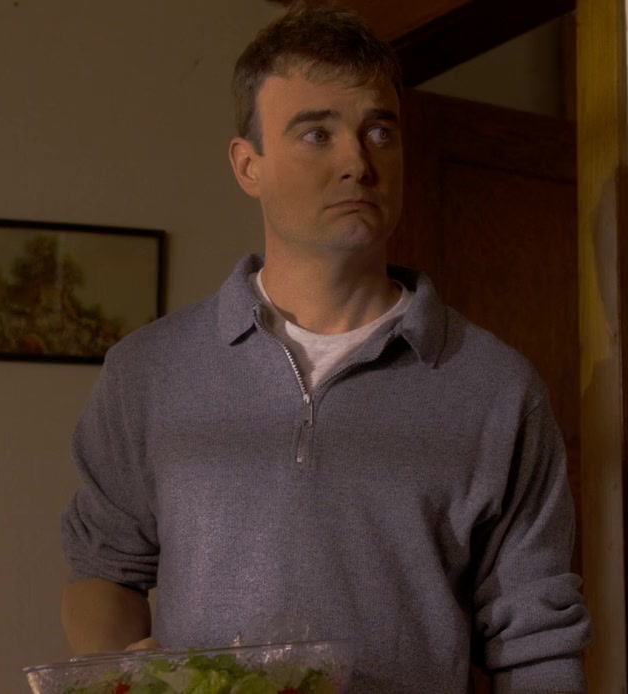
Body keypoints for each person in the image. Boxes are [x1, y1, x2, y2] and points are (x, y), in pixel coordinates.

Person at [60, 4, 590, 692]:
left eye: (380, 132)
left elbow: (538, 641)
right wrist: (120, 673)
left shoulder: (497, 388)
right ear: (247, 165)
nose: (357, 163)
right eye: (317, 133)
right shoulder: (148, 373)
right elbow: (103, 569)